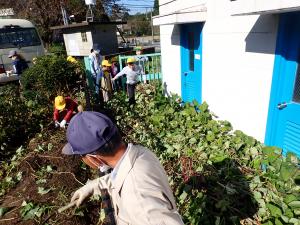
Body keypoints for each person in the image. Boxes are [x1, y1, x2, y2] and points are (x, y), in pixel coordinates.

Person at [62, 111, 184, 225]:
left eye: (81, 156)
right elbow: (121, 176)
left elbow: (135, 191)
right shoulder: (140, 154)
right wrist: (94, 186)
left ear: (93, 158)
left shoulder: (138, 201)